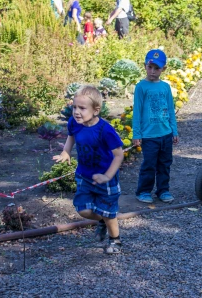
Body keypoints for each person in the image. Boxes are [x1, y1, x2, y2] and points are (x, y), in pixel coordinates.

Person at [53, 85, 125, 254]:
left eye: (82, 108)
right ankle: (103, 220)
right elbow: (71, 136)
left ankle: (115, 241)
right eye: (74, 107)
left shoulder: (105, 131)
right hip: (84, 175)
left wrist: (107, 176)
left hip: (105, 179)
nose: (76, 112)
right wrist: (66, 152)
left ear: (96, 110)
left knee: (108, 211)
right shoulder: (74, 123)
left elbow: (119, 155)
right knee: (83, 209)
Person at [132, 49, 179, 204]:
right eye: (150, 67)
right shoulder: (141, 87)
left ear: (163, 69)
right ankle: (144, 191)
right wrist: (137, 134)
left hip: (165, 133)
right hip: (149, 135)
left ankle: (163, 190)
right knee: (149, 164)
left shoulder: (165, 87)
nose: (152, 71)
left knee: (165, 164)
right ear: (145, 66)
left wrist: (174, 130)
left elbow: (171, 110)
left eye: (156, 68)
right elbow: (137, 111)